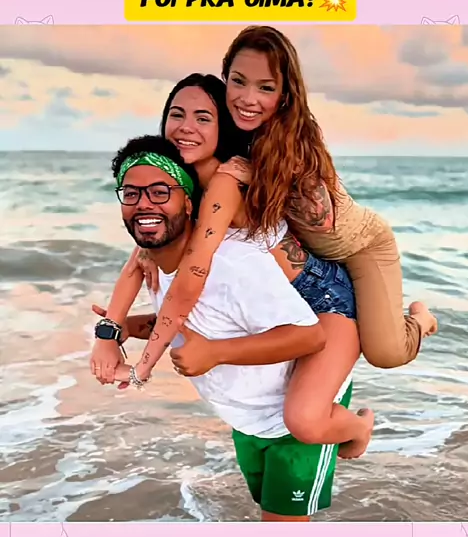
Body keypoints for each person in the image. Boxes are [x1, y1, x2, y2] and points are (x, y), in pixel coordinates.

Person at [91, 75, 374, 451]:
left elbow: (189, 281)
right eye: (177, 114)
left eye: (203, 118)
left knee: (305, 419)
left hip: (322, 298)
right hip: (275, 305)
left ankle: (360, 428)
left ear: (224, 128)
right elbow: (138, 262)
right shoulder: (179, 186)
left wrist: (143, 368)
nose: (186, 126)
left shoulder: (225, 180)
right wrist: (111, 332)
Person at [94, 133, 367, 522]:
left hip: (291, 423)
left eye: (160, 192)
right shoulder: (156, 265)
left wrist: (215, 354)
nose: (144, 204)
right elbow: (206, 322)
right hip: (246, 422)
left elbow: (309, 335)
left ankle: (358, 428)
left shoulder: (232, 264)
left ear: (189, 202)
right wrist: (124, 329)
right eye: (132, 193)